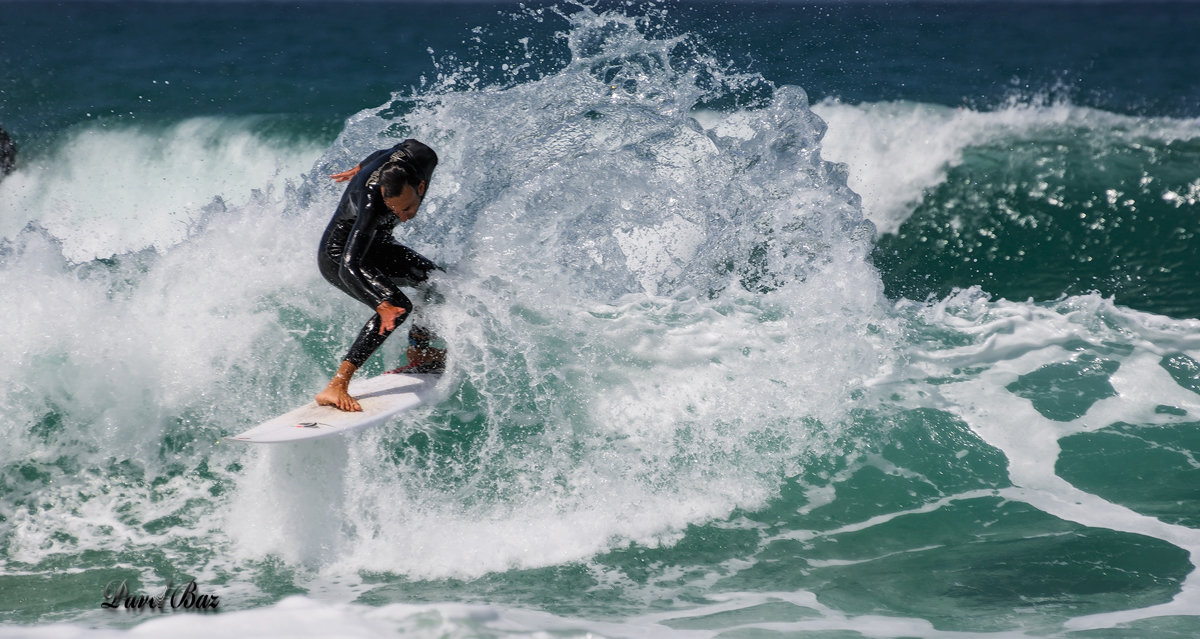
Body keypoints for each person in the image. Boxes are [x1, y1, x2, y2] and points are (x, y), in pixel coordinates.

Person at [315, 139, 445, 412]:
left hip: (377, 246)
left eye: (408, 207)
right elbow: (349, 264)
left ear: (420, 186)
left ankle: (419, 352)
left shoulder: (423, 156)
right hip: (339, 256)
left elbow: (392, 150)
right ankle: (336, 385)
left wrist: (362, 167)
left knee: (434, 279)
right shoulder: (373, 203)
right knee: (398, 308)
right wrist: (381, 305)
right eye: (397, 211)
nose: (405, 217)